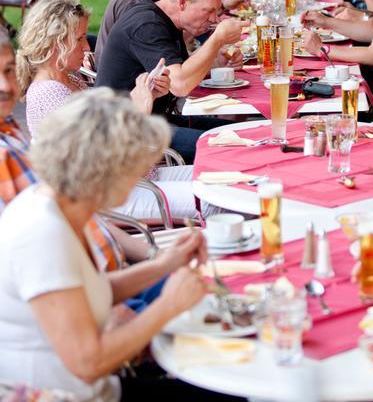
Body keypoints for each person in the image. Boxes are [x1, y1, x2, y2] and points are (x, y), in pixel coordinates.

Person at [0, 88, 244, 402]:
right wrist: (168, 305)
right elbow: (88, 362)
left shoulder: (53, 205)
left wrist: (163, 265)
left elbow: (88, 291)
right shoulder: (43, 232)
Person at [16, 0, 220, 222]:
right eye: (80, 38)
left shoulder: (70, 81)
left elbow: (102, 130)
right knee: (216, 200)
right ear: (56, 43)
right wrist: (139, 112)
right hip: (117, 195)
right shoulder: (49, 94)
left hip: (139, 179)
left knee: (222, 178)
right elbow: (97, 162)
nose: (86, 47)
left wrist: (146, 95)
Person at [96, 0, 246, 161]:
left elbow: (179, 69)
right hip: (127, 134)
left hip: (156, 119)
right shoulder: (146, 24)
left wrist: (215, 62)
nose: (214, 19)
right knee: (230, 148)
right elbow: (180, 84)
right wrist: (216, 40)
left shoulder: (161, 19)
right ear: (183, 1)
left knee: (242, 134)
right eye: (209, 10)